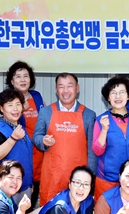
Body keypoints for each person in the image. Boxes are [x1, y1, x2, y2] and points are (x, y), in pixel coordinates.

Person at [33, 73, 97, 206]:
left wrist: (90, 176)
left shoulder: (89, 114)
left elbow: (92, 150)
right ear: (56, 90)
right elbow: (36, 137)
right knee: (50, 211)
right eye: (61, 87)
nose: (65, 91)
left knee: (77, 211)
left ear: (77, 88)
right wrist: (43, 140)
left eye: (70, 86)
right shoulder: (46, 112)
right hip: (52, 174)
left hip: (79, 177)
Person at [93, 76, 129, 200]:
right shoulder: (101, 120)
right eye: (113, 93)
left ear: (128, 96)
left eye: (122, 92)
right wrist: (104, 130)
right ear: (108, 98)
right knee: (104, 211)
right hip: (108, 180)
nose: (118, 96)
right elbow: (97, 150)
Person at [6, 61, 45, 208]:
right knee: (16, 201)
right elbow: (3, 126)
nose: (22, 80)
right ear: (12, 81)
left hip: (39, 154)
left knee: (32, 200)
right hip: (19, 155)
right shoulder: (7, 99)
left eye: (26, 76)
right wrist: (20, 109)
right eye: (18, 76)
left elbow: (45, 120)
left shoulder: (36, 96)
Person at [0, 89, 34, 206]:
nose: (15, 109)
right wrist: (13, 138)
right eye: (10, 105)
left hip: (24, 186)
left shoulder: (20, 127)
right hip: (6, 188)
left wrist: (30, 183)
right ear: (2, 108)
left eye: (18, 104)